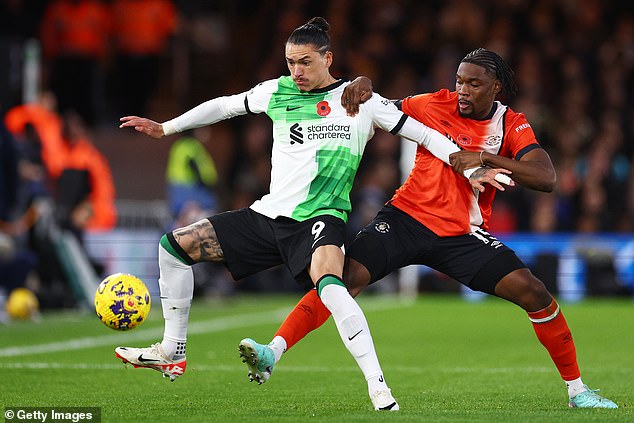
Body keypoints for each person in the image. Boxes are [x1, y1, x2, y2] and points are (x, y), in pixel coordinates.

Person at [114, 19, 505, 411]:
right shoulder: (276, 91)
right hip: (267, 217)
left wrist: (471, 168)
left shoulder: (359, 100)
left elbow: (424, 134)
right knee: (173, 247)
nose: (296, 71)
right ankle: (172, 350)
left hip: (320, 219)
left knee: (332, 287)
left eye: (305, 62)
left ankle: (378, 388)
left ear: (327, 58)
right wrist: (167, 127)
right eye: (290, 62)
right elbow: (225, 105)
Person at [241, 48, 618, 410]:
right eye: (459, 82)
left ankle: (577, 390)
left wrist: (486, 157)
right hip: (405, 219)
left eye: (473, 84)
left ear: (495, 88)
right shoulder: (432, 103)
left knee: (533, 291)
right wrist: (363, 81)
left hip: (461, 234)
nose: (462, 91)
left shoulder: (510, 123)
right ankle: (272, 351)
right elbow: (378, 105)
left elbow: (546, 176)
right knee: (341, 279)